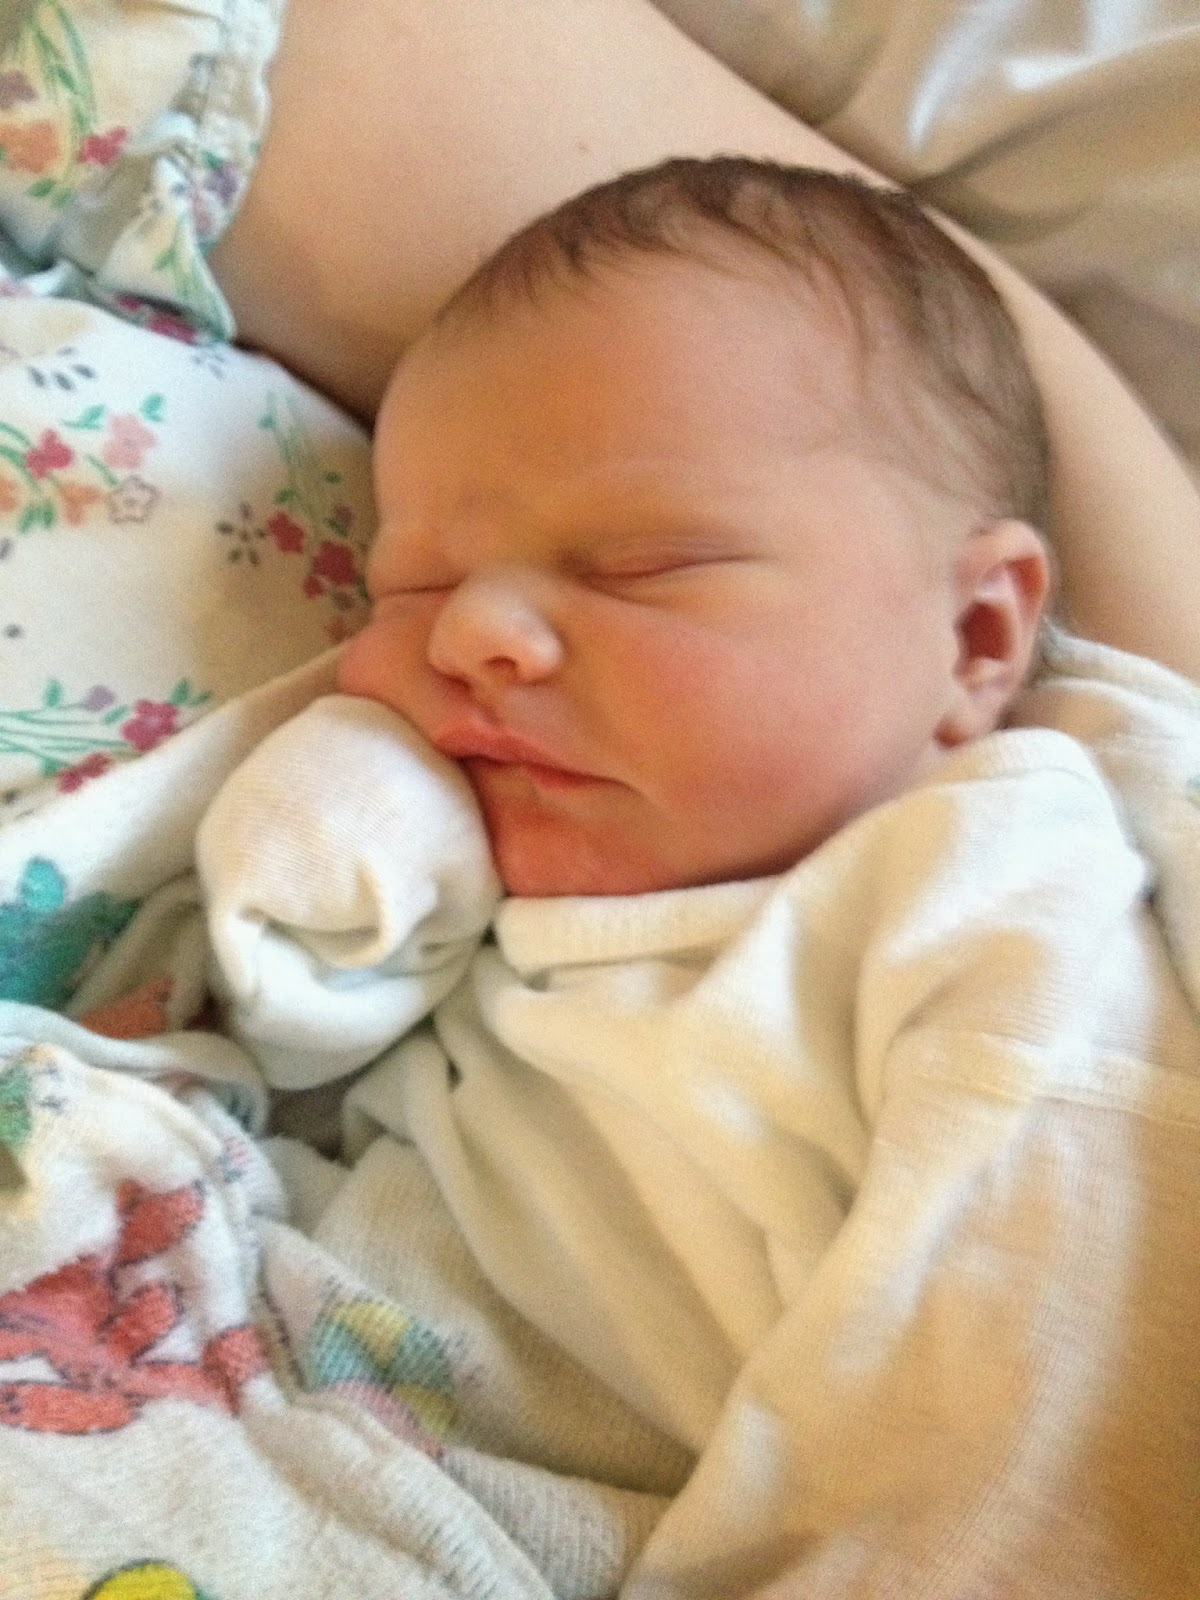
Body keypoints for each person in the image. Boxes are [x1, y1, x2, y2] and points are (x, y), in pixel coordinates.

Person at [197, 160, 1200, 1596]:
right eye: (411, 584)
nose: (471, 633)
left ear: (976, 638)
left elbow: (1039, 1426)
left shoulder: (988, 899)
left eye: (641, 567)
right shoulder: (477, 877)